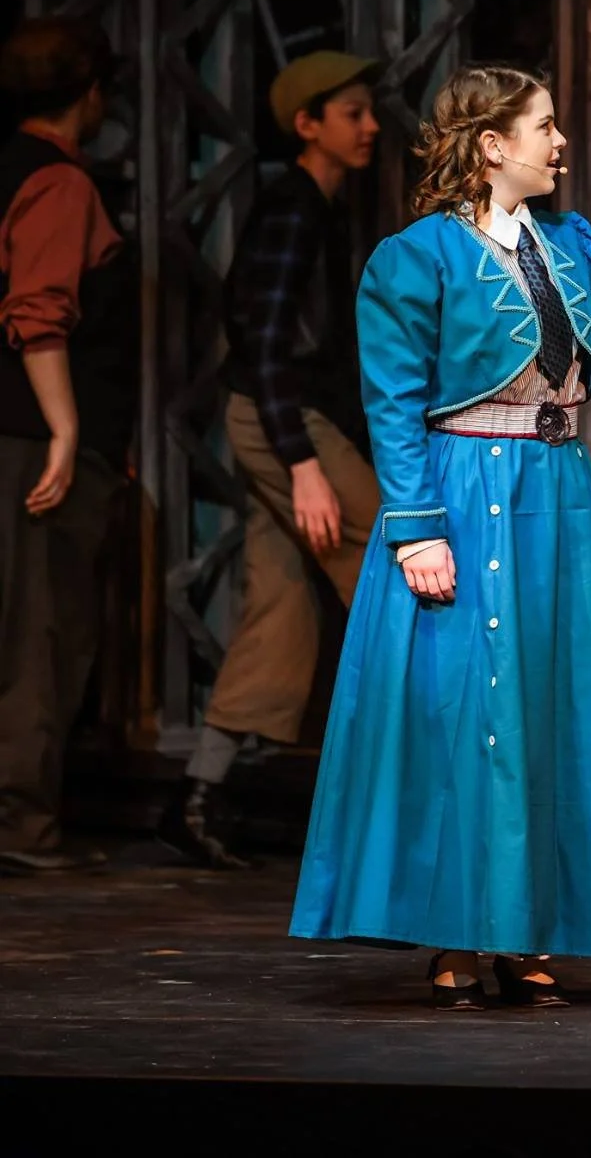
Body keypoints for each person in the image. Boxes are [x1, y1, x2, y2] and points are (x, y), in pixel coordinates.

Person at [289, 64, 591, 1009]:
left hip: (555, 492)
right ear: (491, 145)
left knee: (547, 705)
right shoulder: (418, 257)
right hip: (465, 486)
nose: (560, 143)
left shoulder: (566, 241)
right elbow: (393, 402)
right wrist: (416, 531)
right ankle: (457, 935)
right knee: (469, 712)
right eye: (544, 126)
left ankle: (526, 932)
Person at [158, 53, 384, 869]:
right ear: (306, 125)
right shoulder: (292, 209)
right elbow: (262, 340)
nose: (371, 126)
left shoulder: (317, 208)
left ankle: (198, 794)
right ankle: (416, 788)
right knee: (395, 561)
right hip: (282, 416)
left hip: (281, 414)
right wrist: (302, 462)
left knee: (280, 603)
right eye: (352, 113)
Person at [0, 17, 135, 875]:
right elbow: (38, 312)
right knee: (38, 633)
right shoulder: (58, 181)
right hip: (28, 437)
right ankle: (21, 823)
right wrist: (67, 429)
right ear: (89, 95)